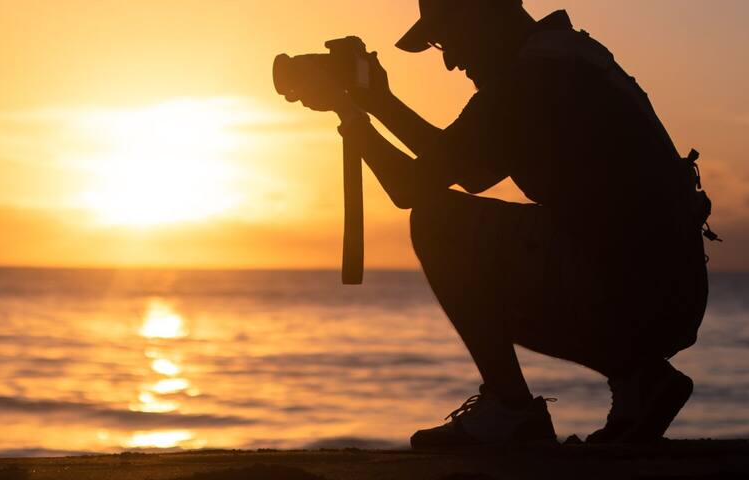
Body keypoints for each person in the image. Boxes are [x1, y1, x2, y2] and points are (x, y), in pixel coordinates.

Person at [295, 0, 710, 448]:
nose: (451, 61)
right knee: (465, 225)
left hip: (632, 288)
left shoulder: (529, 82)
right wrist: (380, 103)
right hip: (668, 289)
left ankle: (512, 409)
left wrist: (352, 117)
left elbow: (411, 187)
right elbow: (464, 167)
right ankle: (641, 382)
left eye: (445, 40)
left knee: (438, 223)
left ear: (480, 14)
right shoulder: (562, 59)